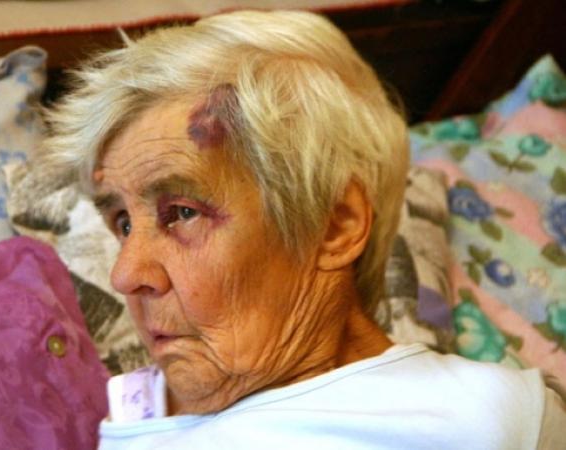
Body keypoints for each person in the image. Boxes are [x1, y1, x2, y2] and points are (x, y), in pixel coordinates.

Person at [42, 10, 566, 449]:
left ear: (335, 226)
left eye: (181, 212)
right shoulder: (134, 415)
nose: (125, 273)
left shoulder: (491, 421)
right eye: (123, 222)